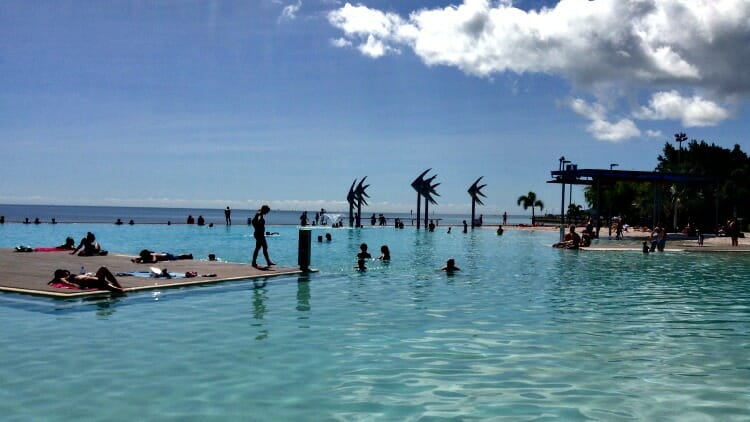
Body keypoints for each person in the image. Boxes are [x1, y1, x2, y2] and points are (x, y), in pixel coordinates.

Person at [49, 267, 124, 293]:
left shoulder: (69, 275)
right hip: (88, 282)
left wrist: (89, 274)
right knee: (107, 284)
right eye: (64, 272)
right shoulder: (62, 278)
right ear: (60, 274)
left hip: (93, 279)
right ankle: (118, 288)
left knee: (103, 269)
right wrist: (75, 285)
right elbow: (66, 283)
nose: (66, 272)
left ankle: (117, 286)